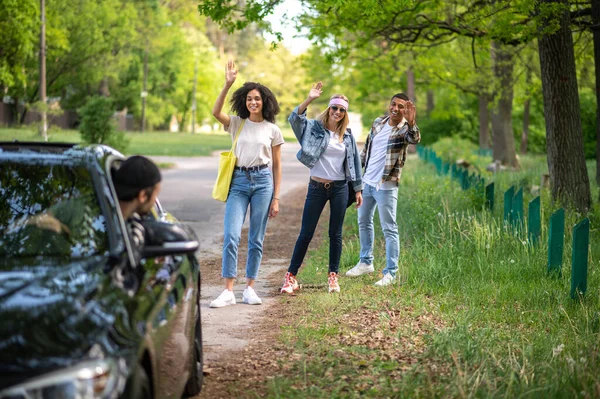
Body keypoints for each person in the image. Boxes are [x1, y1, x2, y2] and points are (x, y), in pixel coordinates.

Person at [210, 59, 284, 308]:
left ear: (265, 102)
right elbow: (215, 112)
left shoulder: (272, 129)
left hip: (263, 182)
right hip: (238, 182)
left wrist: (276, 197)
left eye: (257, 98)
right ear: (245, 101)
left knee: (256, 239)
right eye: (249, 98)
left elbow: (276, 165)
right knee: (231, 235)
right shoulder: (236, 124)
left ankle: (250, 288)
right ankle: (228, 290)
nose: (253, 102)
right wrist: (227, 84)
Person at [281, 81, 363, 295]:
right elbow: (295, 119)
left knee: (335, 234)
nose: (337, 112)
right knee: (306, 233)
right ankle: (291, 277)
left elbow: (354, 161)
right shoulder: (314, 129)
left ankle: (333, 276)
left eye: (342, 110)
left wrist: (358, 189)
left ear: (345, 113)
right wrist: (309, 98)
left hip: (339, 188)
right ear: (329, 108)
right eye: (334, 108)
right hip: (317, 187)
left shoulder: (348, 135)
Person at [345, 93, 420, 286]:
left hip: (386, 186)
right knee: (363, 222)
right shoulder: (379, 122)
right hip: (367, 182)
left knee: (389, 228)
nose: (395, 109)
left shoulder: (404, 130)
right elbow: (367, 150)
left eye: (401, 107)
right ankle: (365, 262)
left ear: (406, 110)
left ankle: (391, 273)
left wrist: (412, 124)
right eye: (393, 104)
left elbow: (414, 139)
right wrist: (355, 177)